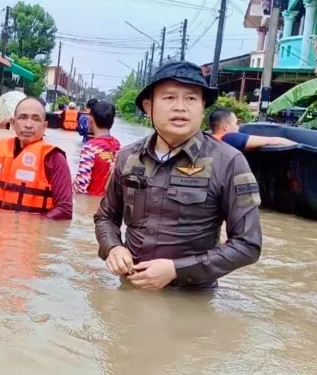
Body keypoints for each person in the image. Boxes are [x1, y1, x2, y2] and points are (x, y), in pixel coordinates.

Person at [94, 61, 262, 290]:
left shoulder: (230, 162)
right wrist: (113, 247)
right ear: (148, 106)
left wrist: (176, 270)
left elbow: (247, 245)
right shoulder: (127, 158)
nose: (180, 107)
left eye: (191, 98)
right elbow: (105, 217)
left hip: (191, 301)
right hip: (130, 291)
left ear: (203, 107)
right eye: (169, 98)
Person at [0, 97, 73, 221]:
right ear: (13, 123)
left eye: (36, 119)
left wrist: (28, 226)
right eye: (23, 117)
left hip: (29, 236)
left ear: (44, 126)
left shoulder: (54, 158)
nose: (28, 125)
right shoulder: (2, 151)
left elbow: (65, 210)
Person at [73, 100, 121, 196]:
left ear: (90, 120)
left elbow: (81, 187)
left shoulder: (89, 147)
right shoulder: (117, 146)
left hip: (90, 201)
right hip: (108, 203)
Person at [209, 107, 296, 151]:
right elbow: (274, 141)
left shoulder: (209, 139)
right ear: (226, 126)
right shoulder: (229, 138)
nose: (238, 127)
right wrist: (299, 146)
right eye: (236, 123)